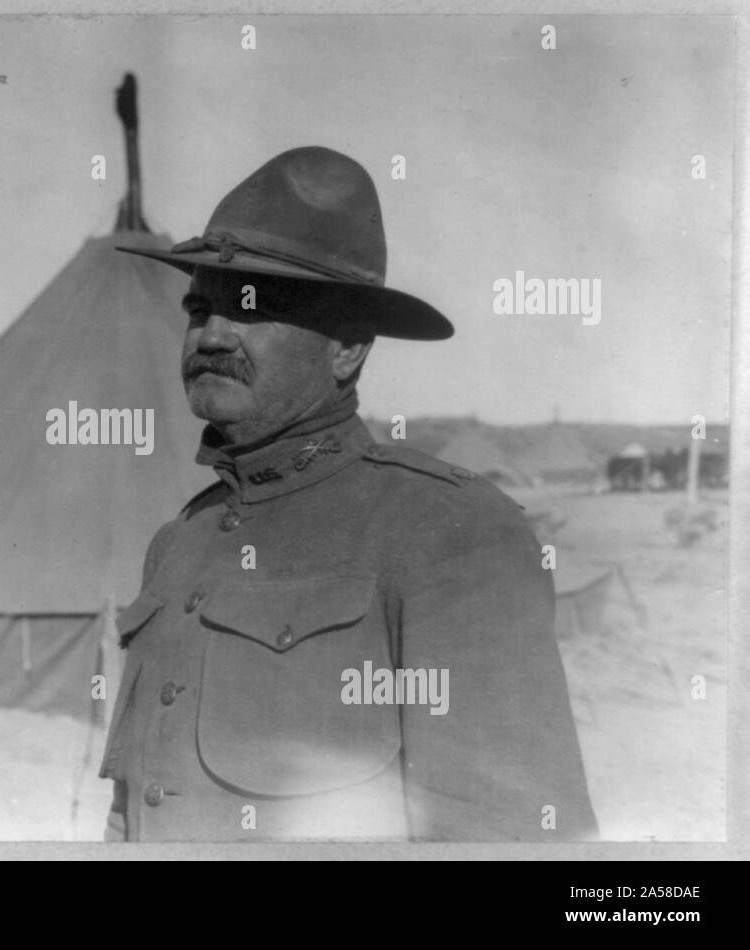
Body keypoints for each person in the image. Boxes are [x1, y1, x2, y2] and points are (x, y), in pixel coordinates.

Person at [100, 146, 597, 842]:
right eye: (199, 306)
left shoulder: (450, 529)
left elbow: (510, 836)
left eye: (251, 307)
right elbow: (130, 813)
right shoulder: (179, 543)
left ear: (348, 348)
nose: (212, 334)